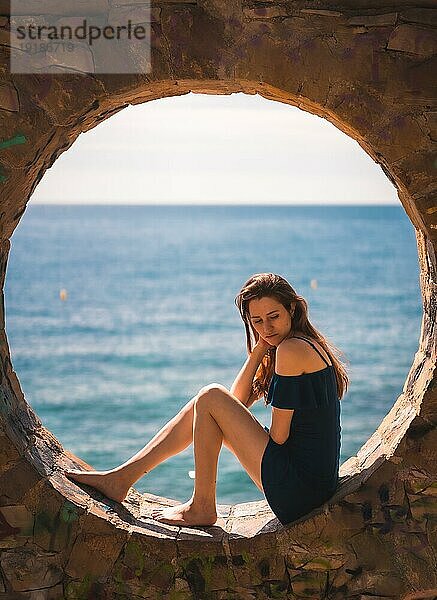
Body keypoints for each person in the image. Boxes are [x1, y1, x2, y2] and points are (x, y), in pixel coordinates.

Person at [64, 273, 348, 527]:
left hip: (299, 491)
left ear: (292, 308)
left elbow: (280, 437)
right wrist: (261, 347)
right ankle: (123, 478)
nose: (266, 327)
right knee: (208, 400)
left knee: (211, 396)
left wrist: (245, 432)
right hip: (311, 486)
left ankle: (199, 506)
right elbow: (237, 400)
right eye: (257, 321)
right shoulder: (299, 343)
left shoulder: (291, 349)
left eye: (273, 317)